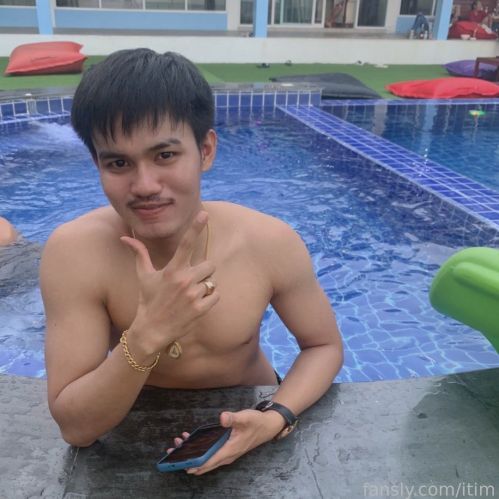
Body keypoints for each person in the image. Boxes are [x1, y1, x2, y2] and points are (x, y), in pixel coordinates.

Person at [40, 49, 344, 475]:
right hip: (133, 419)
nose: (145, 185)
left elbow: (324, 346)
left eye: (165, 155)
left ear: (205, 151)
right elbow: (76, 428)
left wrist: (276, 415)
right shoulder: (76, 253)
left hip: (254, 404)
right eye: (119, 163)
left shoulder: (267, 241)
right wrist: (147, 334)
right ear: (97, 164)